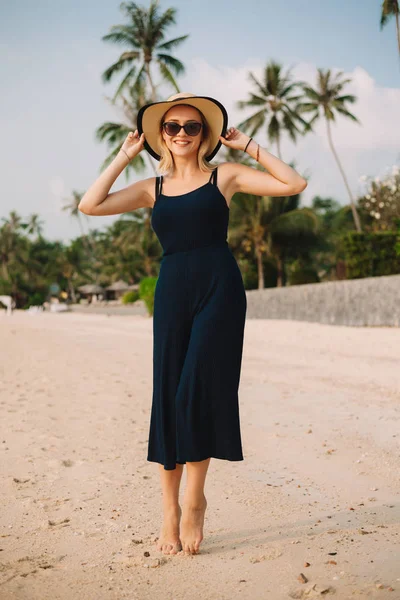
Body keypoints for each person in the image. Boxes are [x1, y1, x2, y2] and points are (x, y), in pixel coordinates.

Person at [79, 92, 307, 557]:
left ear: (205, 134)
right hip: (172, 293)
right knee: (168, 395)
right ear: (159, 135)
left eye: (192, 127)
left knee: (196, 392)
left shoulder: (225, 177)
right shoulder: (152, 188)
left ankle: (194, 500)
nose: (181, 133)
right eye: (172, 127)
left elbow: (294, 183)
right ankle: (169, 510)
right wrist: (125, 155)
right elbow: (89, 205)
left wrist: (248, 146)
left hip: (219, 291)